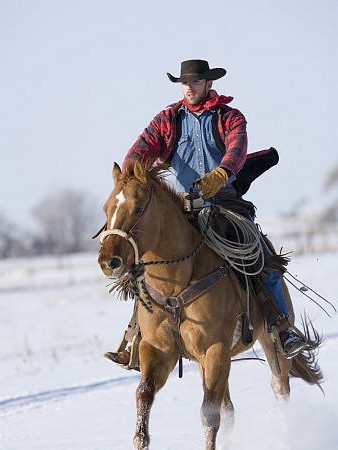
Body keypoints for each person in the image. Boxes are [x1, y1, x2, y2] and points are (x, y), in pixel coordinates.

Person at [106, 59, 306, 366]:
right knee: (147, 263)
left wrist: (219, 176)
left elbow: (236, 152)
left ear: (208, 84)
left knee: (260, 255)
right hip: (181, 208)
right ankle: (134, 335)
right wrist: (131, 173)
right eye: (184, 83)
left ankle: (282, 326)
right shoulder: (167, 119)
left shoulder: (230, 117)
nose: (189, 87)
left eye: (195, 82)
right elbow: (142, 147)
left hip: (224, 202)